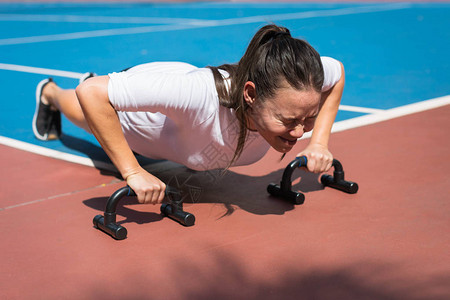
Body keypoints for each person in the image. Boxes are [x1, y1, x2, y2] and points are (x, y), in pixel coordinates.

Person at [32, 24, 344, 205]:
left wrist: (319, 142)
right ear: (250, 94)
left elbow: (337, 72)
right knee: (83, 104)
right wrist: (131, 171)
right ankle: (50, 93)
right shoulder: (199, 95)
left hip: (174, 102)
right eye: (289, 121)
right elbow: (93, 96)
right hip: (136, 120)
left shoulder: (302, 82)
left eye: (308, 118)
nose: (299, 131)